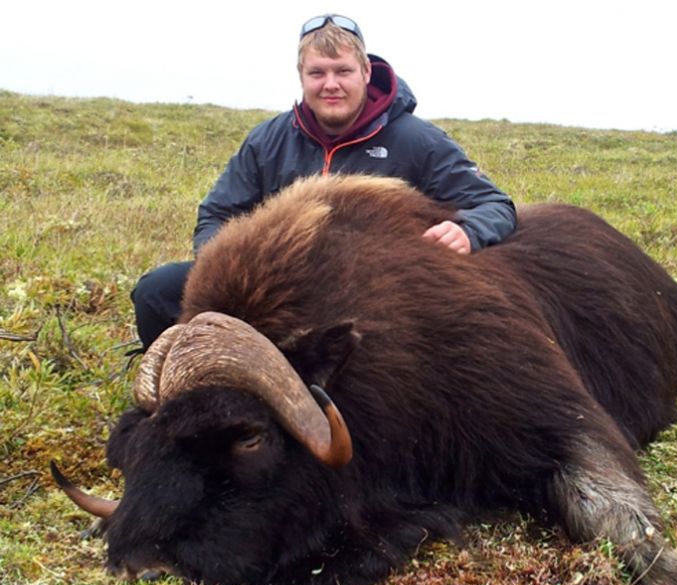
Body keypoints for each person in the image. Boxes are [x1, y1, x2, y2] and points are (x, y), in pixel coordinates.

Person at [131, 14, 516, 348]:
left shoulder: (418, 141)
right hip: (277, 296)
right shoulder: (268, 141)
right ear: (302, 77)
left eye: (343, 71)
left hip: (371, 297)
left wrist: (469, 231)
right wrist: (223, 268)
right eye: (317, 73)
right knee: (156, 292)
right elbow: (216, 213)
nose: (330, 84)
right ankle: (184, 391)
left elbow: (495, 204)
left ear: (366, 72)